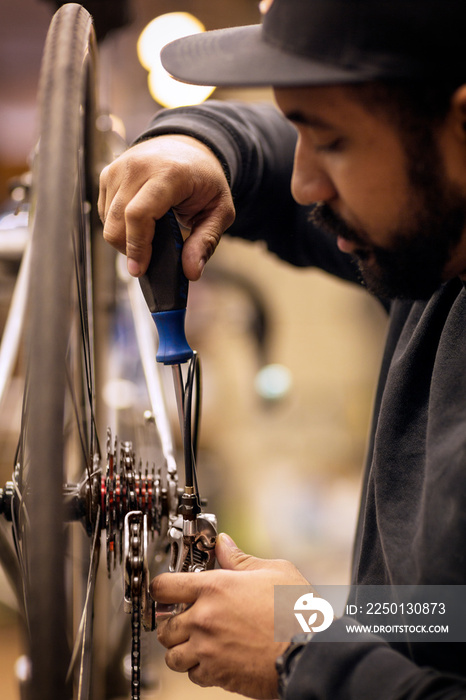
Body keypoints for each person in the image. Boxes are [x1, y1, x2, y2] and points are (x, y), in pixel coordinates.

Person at [98, 0, 466, 697]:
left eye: (330, 142)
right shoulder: (438, 256)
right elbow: (447, 622)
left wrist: (302, 649)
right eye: (301, 132)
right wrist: (200, 146)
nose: (303, 184)